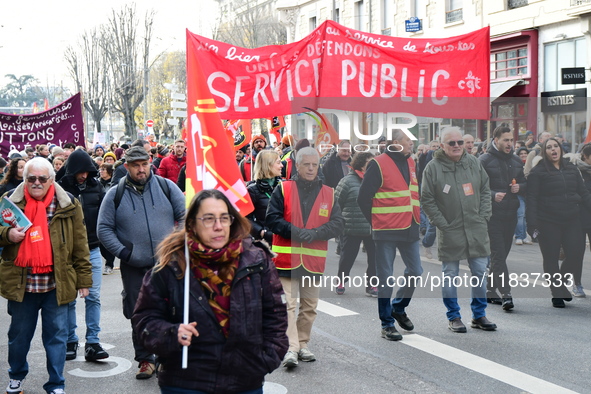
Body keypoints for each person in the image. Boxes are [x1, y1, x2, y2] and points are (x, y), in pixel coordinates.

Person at [132, 189, 288, 393]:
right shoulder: (172, 266)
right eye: (208, 219)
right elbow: (144, 319)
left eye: (224, 218)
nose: (218, 226)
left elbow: (275, 316)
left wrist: (265, 360)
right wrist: (171, 333)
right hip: (186, 381)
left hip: (244, 380)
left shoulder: (256, 261)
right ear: (192, 224)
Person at [0, 157, 92, 394]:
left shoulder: (68, 203)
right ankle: (16, 377)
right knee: (18, 338)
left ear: (52, 179)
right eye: (32, 178)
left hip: (56, 284)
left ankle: (56, 384)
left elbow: (80, 245)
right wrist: (8, 234)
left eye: (43, 178)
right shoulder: (10, 201)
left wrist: (84, 280)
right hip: (22, 284)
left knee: (57, 339)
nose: (37, 183)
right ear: (24, 179)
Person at [97, 146, 186, 379]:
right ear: (126, 166)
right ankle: (145, 359)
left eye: (144, 164)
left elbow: (186, 215)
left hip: (167, 263)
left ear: (150, 163)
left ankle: (166, 358)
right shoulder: (114, 194)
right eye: (136, 165)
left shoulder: (167, 187)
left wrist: (175, 245)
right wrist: (125, 253)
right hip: (134, 266)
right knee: (140, 313)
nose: (141, 169)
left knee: (171, 310)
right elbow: (103, 228)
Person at [266, 147, 344, 368]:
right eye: (306, 164)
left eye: (314, 165)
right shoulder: (283, 188)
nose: (311, 168)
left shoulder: (329, 192)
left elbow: (338, 223)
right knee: (288, 305)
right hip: (286, 261)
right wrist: (297, 232)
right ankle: (291, 348)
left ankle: (303, 343)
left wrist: (316, 234)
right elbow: (272, 219)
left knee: (309, 306)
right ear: (297, 166)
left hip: (313, 261)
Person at [421, 127, 497, 333]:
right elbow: (427, 199)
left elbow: (484, 189)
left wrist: (483, 216)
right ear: (443, 145)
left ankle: (479, 315)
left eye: (460, 142)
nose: (457, 146)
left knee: (480, 272)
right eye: (452, 143)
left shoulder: (473, 163)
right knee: (450, 274)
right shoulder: (433, 167)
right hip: (450, 229)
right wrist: (442, 223)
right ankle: (453, 316)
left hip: (476, 227)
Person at [358, 132, 424, 341]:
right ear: (396, 143)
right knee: (386, 279)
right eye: (408, 140)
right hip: (385, 229)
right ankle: (387, 324)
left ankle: (398, 307)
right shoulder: (377, 164)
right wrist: (376, 221)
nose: (412, 143)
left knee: (415, 271)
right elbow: (363, 198)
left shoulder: (411, 162)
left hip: (409, 227)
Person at [526, 138, 591, 308]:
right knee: (551, 258)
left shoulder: (571, 169)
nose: (553, 149)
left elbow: (583, 193)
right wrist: (531, 224)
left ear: (561, 149)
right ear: (544, 152)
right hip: (547, 220)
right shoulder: (537, 172)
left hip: (572, 219)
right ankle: (556, 293)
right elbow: (531, 199)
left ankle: (559, 282)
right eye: (549, 147)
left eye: (556, 146)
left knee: (576, 253)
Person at [57, 150, 109, 362]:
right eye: (80, 172)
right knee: (69, 299)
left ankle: (93, 342)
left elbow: (106, 216)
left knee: (93, 297)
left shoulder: (97, 187)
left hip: (93, 249)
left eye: (87, 171)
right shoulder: (59, 189)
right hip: (67, 252)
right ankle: (71, 340)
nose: (83, 176)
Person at [479, 126, 526, 310]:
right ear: (495, 139)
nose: (509, 143)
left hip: (510, 214)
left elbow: (524, 182)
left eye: (511, 140)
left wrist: (519, 187)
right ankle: (506, 294)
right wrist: (492, 195)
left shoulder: (515, 160)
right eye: (505, 140)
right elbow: (477, 186)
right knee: (498, 255)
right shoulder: (484, 160)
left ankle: (490, 290)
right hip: (492, 215)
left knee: (502, 254)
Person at [335, 151, 377, 297]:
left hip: (372, 226)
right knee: (347, 257)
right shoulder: (347, 181)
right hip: (351, 227)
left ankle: (372, 285)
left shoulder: (375, 180)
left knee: (374, 259)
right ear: (360, 164)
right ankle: (341, 281)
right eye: (369, 163)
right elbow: (336, 204)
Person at [568, 143, 591, 297]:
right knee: (577, 252)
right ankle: (577, 283)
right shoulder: (575, 170)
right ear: (585, 156)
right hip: (578, 217)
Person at [246, 150, 283, 244]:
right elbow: (245, 218)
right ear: (268, 165)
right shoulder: (253, 190)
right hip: (265, 243)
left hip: (284, 239)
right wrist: (261, 232)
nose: (282, 166)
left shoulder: (283, 186)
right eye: (278, 163)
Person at [514, 147, 531, 246]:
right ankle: (519, 236)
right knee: (520, 215)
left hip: (527, 194)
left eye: (525, 153)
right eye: (521, 153)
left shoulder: (531, 164)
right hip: (519, 193)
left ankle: (523, 236)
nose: (524, 155)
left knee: (524, 216)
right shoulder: (517, 165)